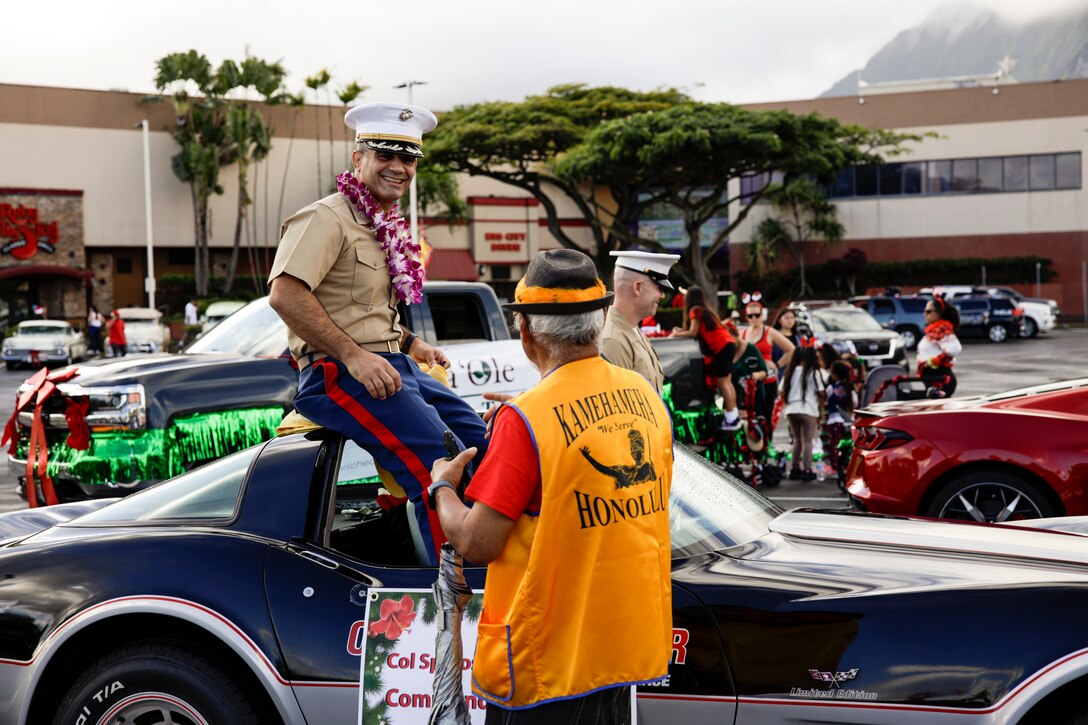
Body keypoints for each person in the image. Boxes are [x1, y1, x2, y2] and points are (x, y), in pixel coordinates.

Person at [429, 249, 673, 724]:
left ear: (525, 331)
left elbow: (477, 542)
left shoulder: (526, 419)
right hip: (621, 651)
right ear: (601, 319)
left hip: (547, 668)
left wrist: (443, 486)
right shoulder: (645, 396)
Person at [267, 101, 487, 566]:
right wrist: (354, 357)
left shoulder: (380, 223)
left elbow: (360, 309)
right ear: (357, 160)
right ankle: (452, 594)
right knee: (437, 465)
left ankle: (503, 561)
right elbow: (285, 295)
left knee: (480, 447)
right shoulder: (325, 217)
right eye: (384, 155)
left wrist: (409, 343)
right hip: (338, 373)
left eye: (407, 159)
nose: (398, 167)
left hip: (395, 366)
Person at [600, 249, 680, 393]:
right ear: (638, 287)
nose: (662, 295)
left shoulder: (633, 330)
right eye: (659, 287)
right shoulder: (612, 341)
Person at [669, 286, 741, 430]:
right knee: (727, 382)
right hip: (728, 344)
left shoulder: (695, 310)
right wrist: (682, 331)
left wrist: (676, 334)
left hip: (721, 347)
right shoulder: (707, 311)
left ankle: (732, 419)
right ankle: (733, 416)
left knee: (723, 383)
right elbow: (697, 330)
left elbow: (693, 332)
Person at [781, 340, 823, 481]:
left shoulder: (790, 371)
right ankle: (807, 469)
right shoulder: (813, 372)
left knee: (797, 441)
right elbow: (821, 391)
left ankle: (794, 469)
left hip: (791, 409)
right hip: (808, 409)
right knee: (807, 441)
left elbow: (781, 390)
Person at [917, 295, 962, 396]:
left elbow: (955, 348)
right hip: (932, 378)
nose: (925, 314)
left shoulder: (941, 329)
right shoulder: (934, 329)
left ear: (939, 313)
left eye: (928, 311)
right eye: (924, 311)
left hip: (940, 380)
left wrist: (935, 361)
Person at [823, 360, 856, 473]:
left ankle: (836, 466)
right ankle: (848, 465)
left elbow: (825, 400)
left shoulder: (831, 388)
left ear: (834, 374)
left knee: (835, 445)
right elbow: (855, 402)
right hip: (847, 421)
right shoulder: (850, 388)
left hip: (834, 420)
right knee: (847, 445)